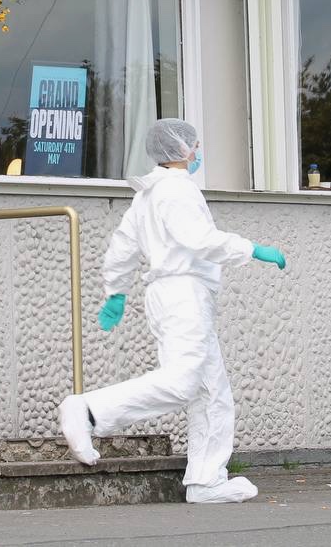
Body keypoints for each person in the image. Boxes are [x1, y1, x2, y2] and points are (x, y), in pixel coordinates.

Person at [58, 118, 288, 504]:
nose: (198, 152)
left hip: (170, 294)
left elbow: (122, 247)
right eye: (194, 145)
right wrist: (252, 249)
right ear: (183, 150)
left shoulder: (148, 194)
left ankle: (205, 480)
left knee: (211, 391)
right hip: (184, 293)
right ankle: (89, 410)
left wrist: (116, 292)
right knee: (183, 382)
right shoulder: (178, 191)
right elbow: (199, 240)